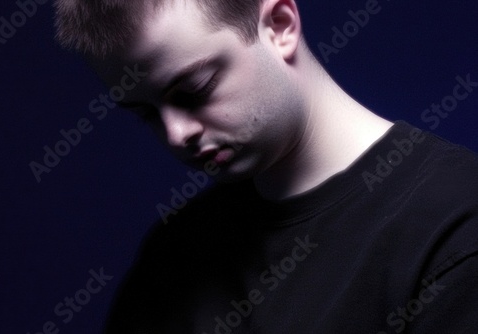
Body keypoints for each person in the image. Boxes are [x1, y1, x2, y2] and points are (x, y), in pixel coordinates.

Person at [54, 0, 478, 333]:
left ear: (280, 26)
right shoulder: (172, 254)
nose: (175, 134)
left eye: (194, 90)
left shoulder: (456, 226)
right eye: (145, 112)